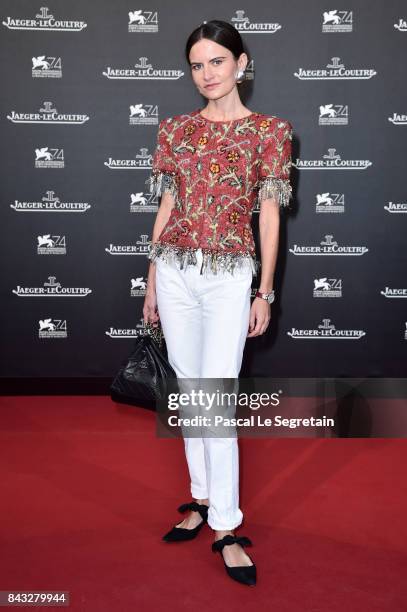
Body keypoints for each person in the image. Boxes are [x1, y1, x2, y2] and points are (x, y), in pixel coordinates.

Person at [143, 19, 293, 586]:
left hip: (231, 277)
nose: (206, 74)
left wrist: (265, 291)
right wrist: (152, 280)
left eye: (216, 62)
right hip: (176, 271)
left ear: (241, 63)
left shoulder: (271, 132)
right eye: (197, 65)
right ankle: (201, 499)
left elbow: (270, 216)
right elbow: (167, 208)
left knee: (215, 397)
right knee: (187, 389)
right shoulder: (174, 130)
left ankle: (228, 526)